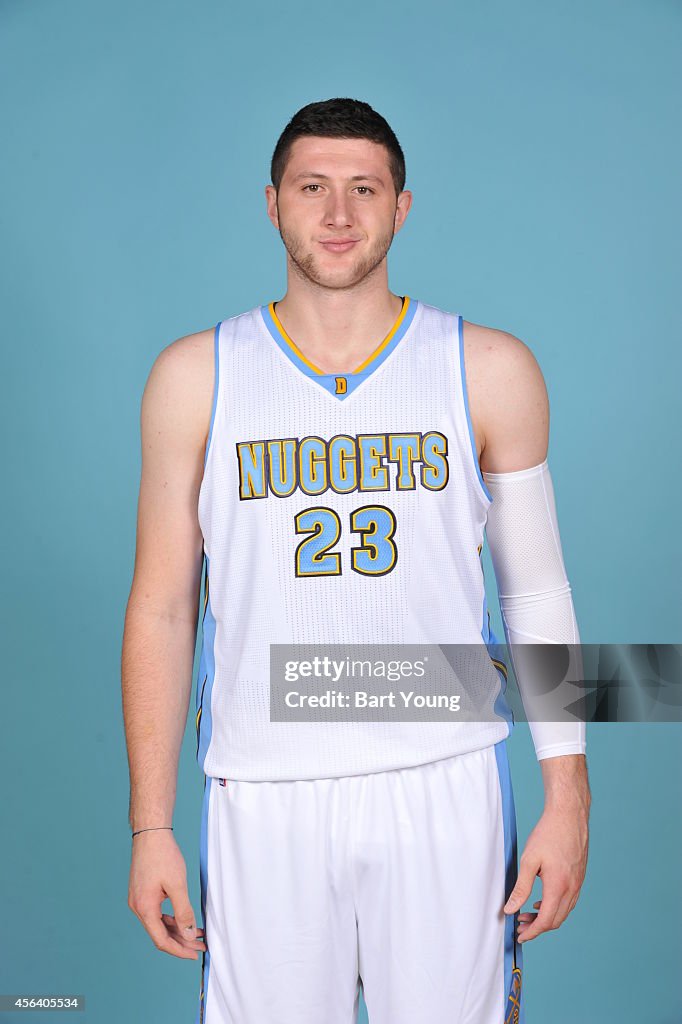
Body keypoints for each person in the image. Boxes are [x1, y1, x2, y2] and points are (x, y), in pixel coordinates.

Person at [122, 97, 591, 1024]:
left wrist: (567, 797)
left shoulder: (488, 367)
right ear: (272, 204)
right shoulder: (196, 376)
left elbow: (535, 591)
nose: (338, 216)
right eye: (313, 188)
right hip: (263, 789)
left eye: (363, 189)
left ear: (401, 206)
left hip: (445, 781)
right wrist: (151, 827)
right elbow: (164, 608)